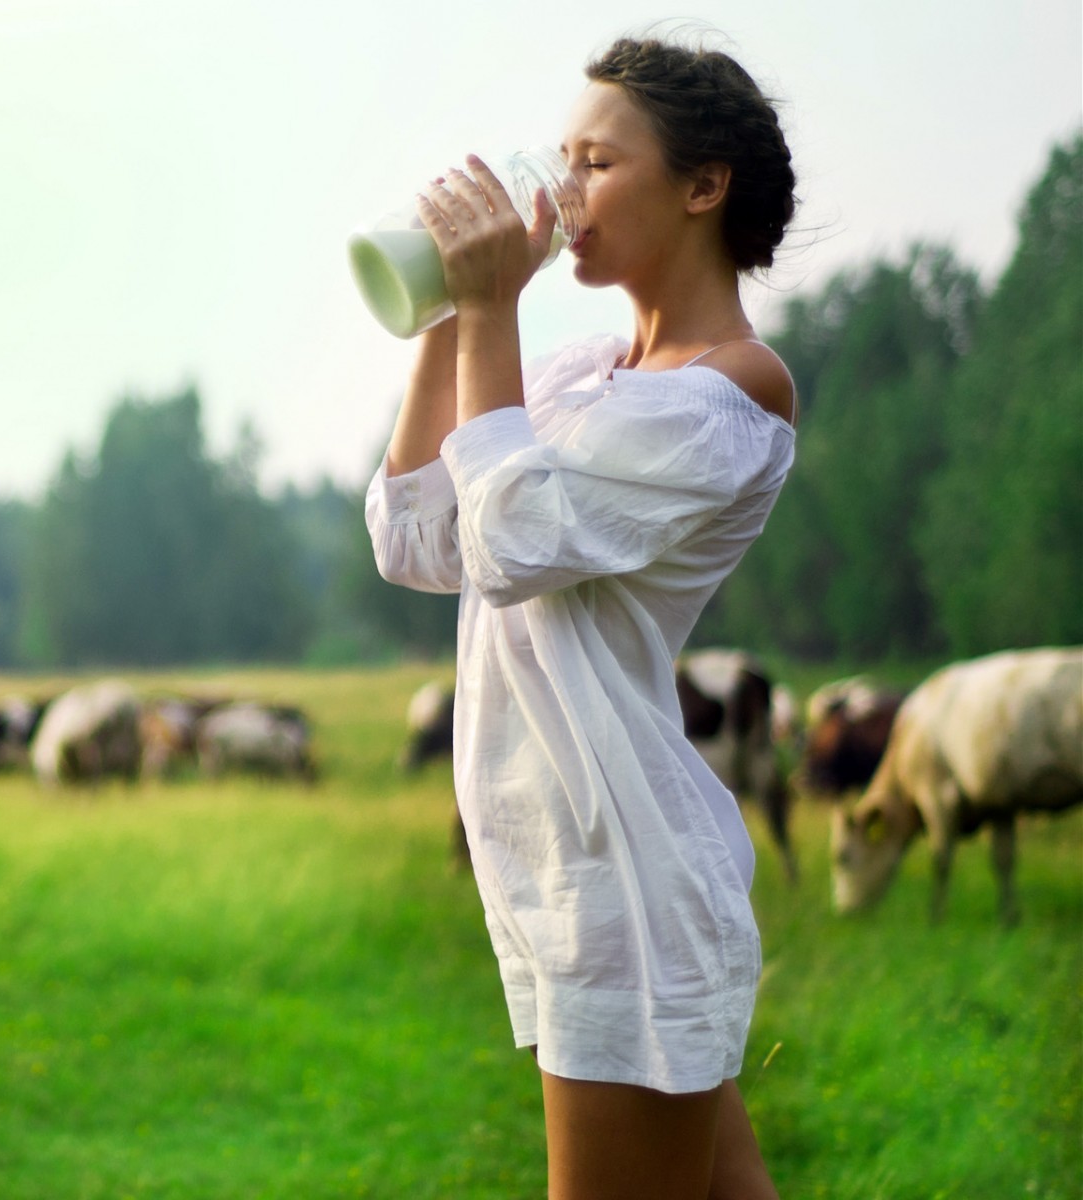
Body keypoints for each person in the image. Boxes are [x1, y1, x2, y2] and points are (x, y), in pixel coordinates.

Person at [363, 35, 798, 1200]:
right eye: (563, 160)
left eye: (597, 163)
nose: (565, 189)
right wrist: (447, 308)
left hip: (626, 885)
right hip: (577, 874)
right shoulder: (574, 375)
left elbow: (515, 542)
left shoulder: (733, 389)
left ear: (704, 187)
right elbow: (420, 541)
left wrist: (489, 308)